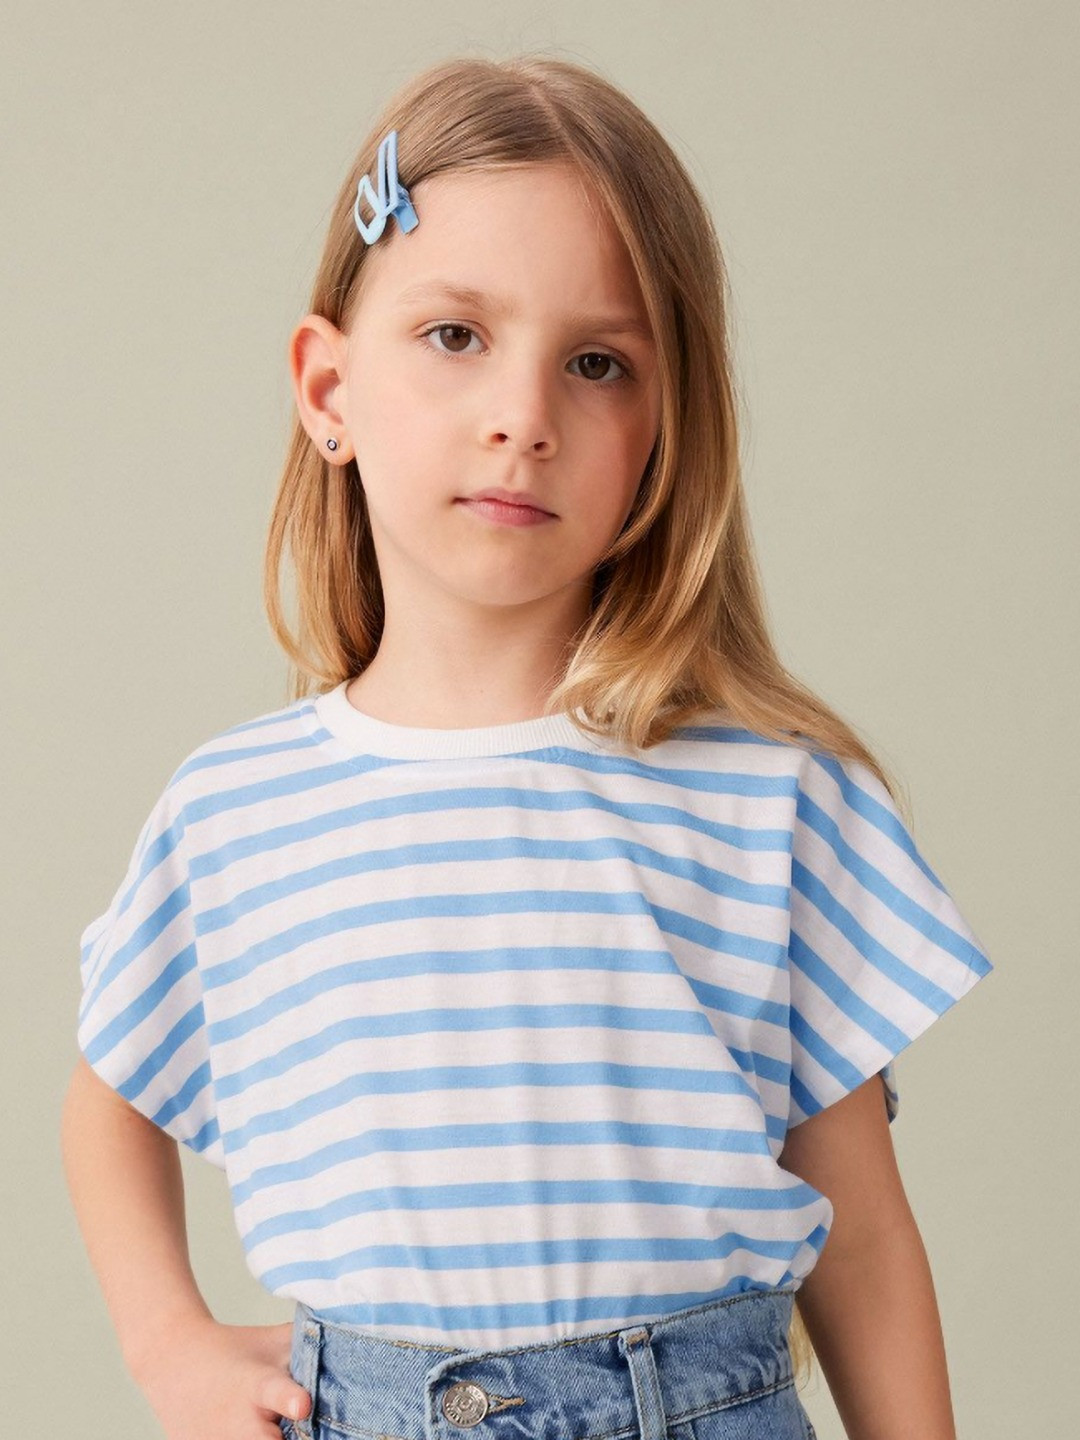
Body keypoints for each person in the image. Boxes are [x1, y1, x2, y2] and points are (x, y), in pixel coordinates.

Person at [62, 53, 994, 1440]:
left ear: (662, 434)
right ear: (327, 389)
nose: (524, 417)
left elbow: (859, 1238)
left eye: (597, 363)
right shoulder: (234, 812)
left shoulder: (769, 797)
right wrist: (169, 1344)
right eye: (455, 336)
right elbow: (108, 1101)